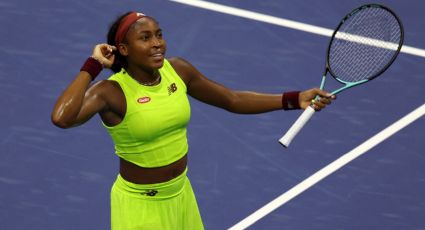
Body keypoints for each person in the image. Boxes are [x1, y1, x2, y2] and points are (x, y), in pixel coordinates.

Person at [51, 11, 335, 230]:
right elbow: (62, 118)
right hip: (140, 206)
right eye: (145, 38)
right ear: (123, 49)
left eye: (159, 35)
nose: (157, 44)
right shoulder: (110, 92)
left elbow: (231, 99)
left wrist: (293, 99)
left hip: (181, 195)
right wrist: (93, 65)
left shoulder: (178, 70)